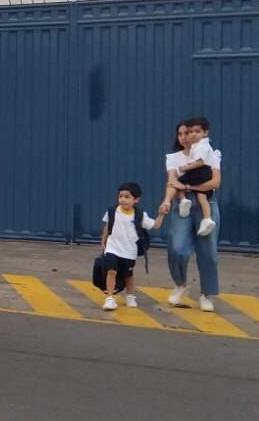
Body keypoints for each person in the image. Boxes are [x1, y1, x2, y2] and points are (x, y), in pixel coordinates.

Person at [160, 118, 223, 312]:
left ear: (200, 134)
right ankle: (180, 284)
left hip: (206, 205)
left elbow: (215, 183)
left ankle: (206, 294)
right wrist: (167, 201)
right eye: (180, 134)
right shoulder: (173, 158)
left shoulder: (210, 153)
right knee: (177, 247)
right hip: (183, 206)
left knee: (208, 253)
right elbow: (172, 182)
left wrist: (187, 186)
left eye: (188, 133)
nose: (185, 137)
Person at [95, 181, 159, 311]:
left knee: (128, 274)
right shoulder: (113, 211)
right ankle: (110, 298)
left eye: (127, 197)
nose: (122, 199)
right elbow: (108, 226)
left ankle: (130, 296)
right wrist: (103, 240)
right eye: (120, 196)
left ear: (136, 199)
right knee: (111, 271)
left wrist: (162, 214)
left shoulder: (140, 215)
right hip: (113, 247)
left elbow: (155, 225)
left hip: (129, 251)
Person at [172, 117, 219, 236]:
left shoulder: (201, 147)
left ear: (205, 132)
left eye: (197, 132)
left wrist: (186, 168)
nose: (192, 135)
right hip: (204, 178)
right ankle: (207, 219)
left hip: (200, 172)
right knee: (202, 197)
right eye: (191, 132)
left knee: (179, 183)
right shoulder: (204, 146)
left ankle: (183, 200)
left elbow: (200, 162)